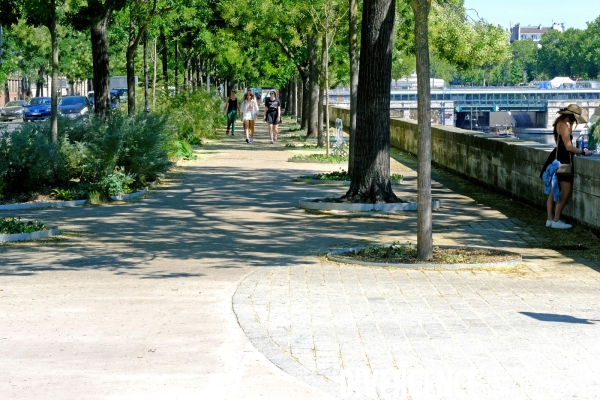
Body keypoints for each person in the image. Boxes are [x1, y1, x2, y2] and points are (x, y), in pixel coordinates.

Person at [540, 104, 592, 229]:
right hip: (563, 161)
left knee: (553, 192)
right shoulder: (564, 125)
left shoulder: (560, 123)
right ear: (572, 116)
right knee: (566, 192)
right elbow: (568, 146)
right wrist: (583, 152)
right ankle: (556, 220)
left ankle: (550, 219)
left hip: (556, 158)